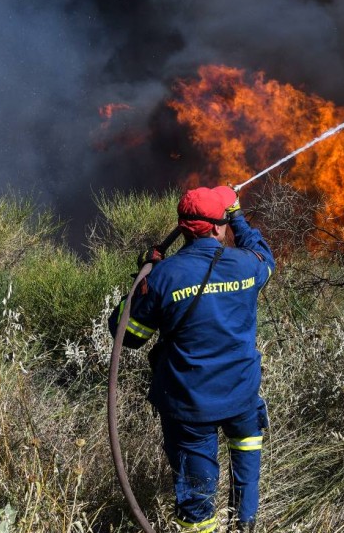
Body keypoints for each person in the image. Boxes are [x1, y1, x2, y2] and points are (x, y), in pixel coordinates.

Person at [110, 185, 274, 533]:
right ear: (218, 227)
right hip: (242, 395)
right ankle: (245, 526)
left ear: (183, 227)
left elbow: (129, 336)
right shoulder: (246, 265)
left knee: (197, 498)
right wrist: (239, 216)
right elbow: (264, 256)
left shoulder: (164, 276)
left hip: (191, 405)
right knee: (246, 470)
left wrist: (143, 279)